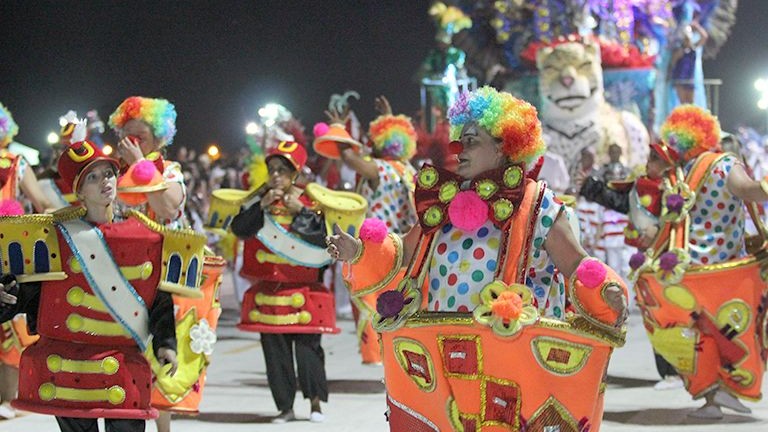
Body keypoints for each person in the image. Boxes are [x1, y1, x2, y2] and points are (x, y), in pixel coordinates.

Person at [327, 87, 628, 430]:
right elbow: (403, 255)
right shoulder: (443, 201)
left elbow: (577, 265)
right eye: (459, 141)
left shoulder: (537, 204)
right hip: (446, 355)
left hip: (512, 357)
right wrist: (360, 252)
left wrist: (606, 291)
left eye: (471, 141)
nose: (459, 150)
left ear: (503, 146)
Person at [0, 121, 185, 432]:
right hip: (68, 367)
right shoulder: (53, 237)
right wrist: (5, 300)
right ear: (79, 192)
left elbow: (155, 294)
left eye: (109, 173)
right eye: (93, 177)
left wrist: (165, 342)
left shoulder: (142, 234)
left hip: (123, 367)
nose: (105, 182)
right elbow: (30, 294)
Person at [633, 104, 768, 419]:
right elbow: (748, 190)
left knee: (698, 335)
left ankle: (712, 393)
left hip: (685, 270)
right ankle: (722, 391)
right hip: (724, 272)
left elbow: (666, 221)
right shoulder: (723, 164)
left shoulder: (680, 174)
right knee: (734, 331)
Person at [108, 96, 220, 432]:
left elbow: (169, 206)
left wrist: (141, 165)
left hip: (162, 276)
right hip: (121, 274)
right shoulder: (112, 173)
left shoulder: (170, 171)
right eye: (126, 136)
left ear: (160, 138)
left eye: (139, 136)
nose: (131, 142)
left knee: (161, 360)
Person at [230, 141, 336, 424]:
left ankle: (315, 405)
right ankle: (285, 408)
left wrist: (299, 211)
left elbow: (322, 242)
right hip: (270, 291)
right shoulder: (258, 200)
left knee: (309, 350)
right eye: (272, 170)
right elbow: (239, 229)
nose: (276, 175)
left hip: (306, 290)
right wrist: (260, 207)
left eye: (283, 170)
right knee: (275, 353)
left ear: (295, 173)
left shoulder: (313, 202)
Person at [316, 96, 418, 364]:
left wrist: (338, 128)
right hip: (403, 249)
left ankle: (379, 356)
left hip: (377, 250)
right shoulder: (407, 170)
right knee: (399, 305)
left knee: (372, 302)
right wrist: (389, 118)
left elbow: (348, 158)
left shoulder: (380, 169)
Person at [0, 102, 54, 420]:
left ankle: (11, 396)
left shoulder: (16, 164)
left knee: (8, 325)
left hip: (8, 249)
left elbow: (43, 204)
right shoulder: (17, 162)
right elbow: (44, 204)